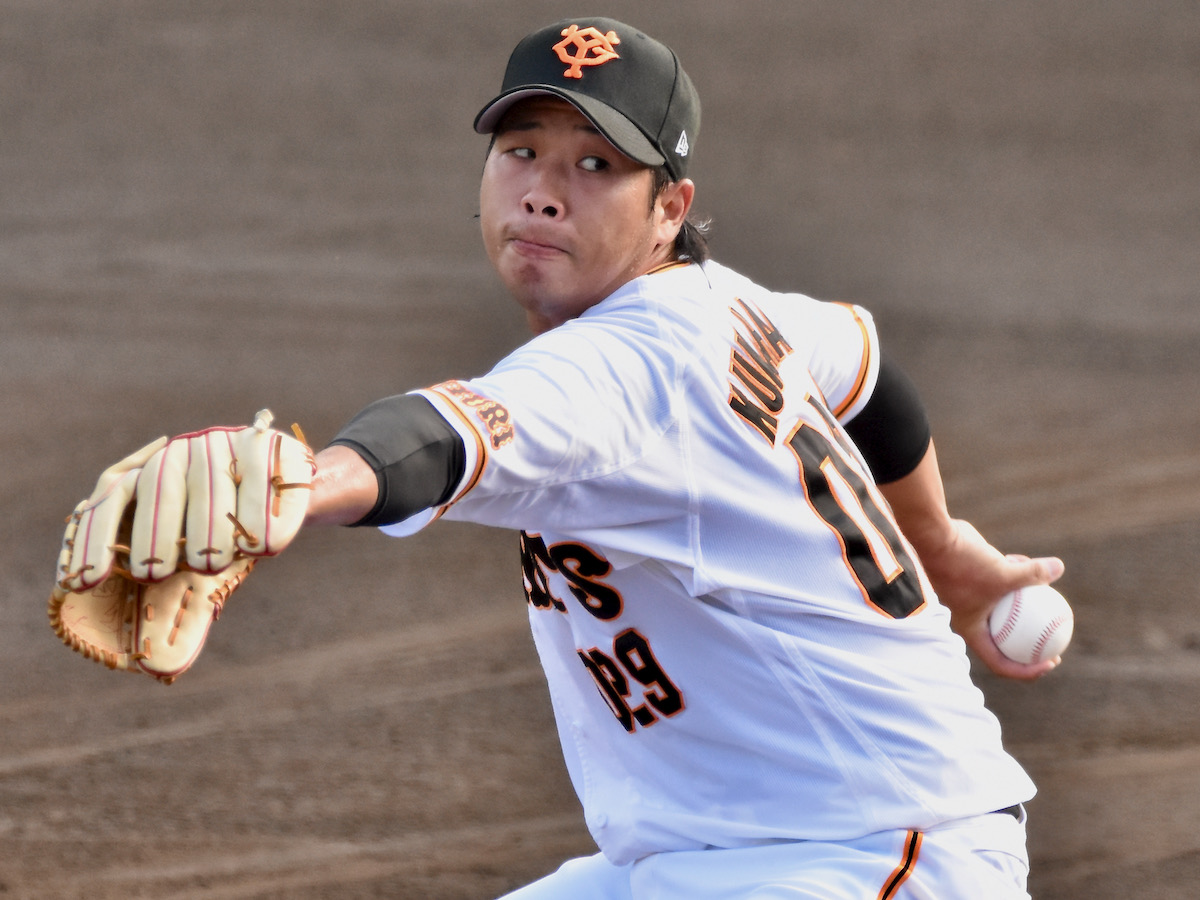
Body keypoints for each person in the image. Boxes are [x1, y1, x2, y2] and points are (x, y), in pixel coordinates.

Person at [307, 17, 1065, 898]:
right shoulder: (722, 302)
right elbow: (866, 373)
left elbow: (437, 438)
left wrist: (298, 487)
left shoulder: (629, 363)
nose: (544, 193)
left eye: (596, 165)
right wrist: (937, 545)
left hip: (870, 849)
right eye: (521, 151)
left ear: (670, 207)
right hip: (706, 856)